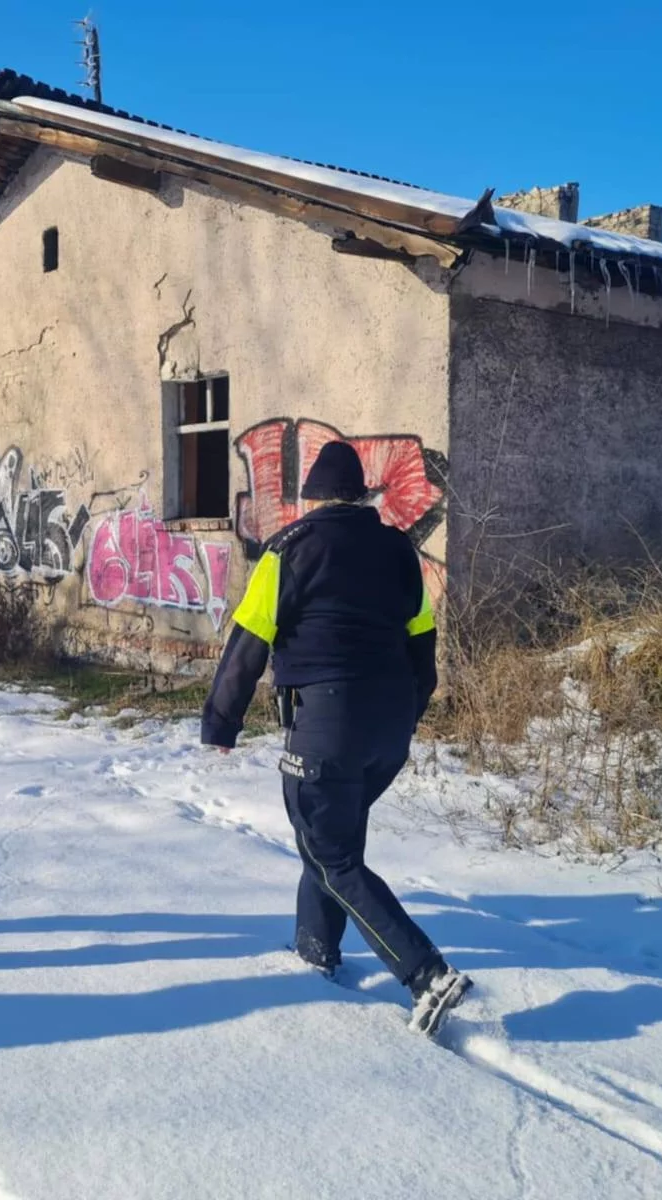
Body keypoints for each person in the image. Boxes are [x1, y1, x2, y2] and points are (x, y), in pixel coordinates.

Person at [200, 440, 470, 1036]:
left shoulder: (291, 548)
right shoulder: (400, 551)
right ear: (361, 495)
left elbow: (249, 640)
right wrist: (408, 710)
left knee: (332, 855)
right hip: (388, 726)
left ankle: (426, 974)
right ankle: (315, 953)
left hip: (327, 720)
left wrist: (222, 722)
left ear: (313, 497)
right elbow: (423, 642)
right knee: (329, 839)